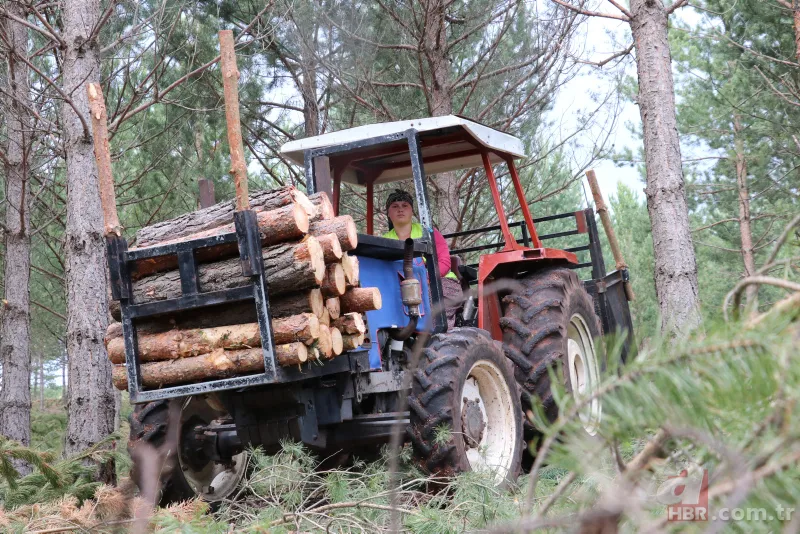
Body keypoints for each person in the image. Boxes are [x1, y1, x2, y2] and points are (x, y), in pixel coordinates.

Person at [382, 189, 464, 329]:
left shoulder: (429, 233)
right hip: (402, 288)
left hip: (439, 283)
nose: (400, 210)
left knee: (429, 303)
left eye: (405, 206)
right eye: (395, 206)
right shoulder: (383, 240)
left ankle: (440, 339)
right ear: (388, 213)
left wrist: (425, 278)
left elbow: (444, 263)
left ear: (412, 211)